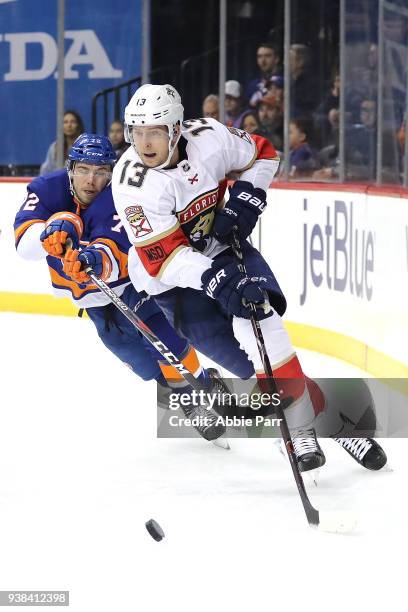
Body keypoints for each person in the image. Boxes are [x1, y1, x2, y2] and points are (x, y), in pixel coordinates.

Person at [111, 83, 387, 473]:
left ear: (176, 129)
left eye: (154, 131)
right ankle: (336, 420)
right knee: (251, 369)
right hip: (172, 283)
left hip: (224, 247)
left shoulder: (210, 137)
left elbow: (263, 154)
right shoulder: (132, 183)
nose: (144, 142)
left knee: (262, 321)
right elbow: (166, 259)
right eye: (136, 131)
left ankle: (300, 431)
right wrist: (219, 282)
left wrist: (245, 200)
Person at [14, 133, 227, 442]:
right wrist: (48, 231)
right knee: (141, 364)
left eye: (101, 172)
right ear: (69, 168)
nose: (91, 180)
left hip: (131, 283)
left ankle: (200, 388)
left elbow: (115, 244)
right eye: (84, 169)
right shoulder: (48, 189)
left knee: (162, 338)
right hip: (93, 301)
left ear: (112, 173)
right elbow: (23, 243)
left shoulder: (121, 195)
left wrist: (94, 259)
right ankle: (185, 389)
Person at [40, 110, 84, 175]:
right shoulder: (55, 147)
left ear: (78, 125)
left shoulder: (85, 146)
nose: (69, 125)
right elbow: (46, 170)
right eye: (65, 122)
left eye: (73, 122)